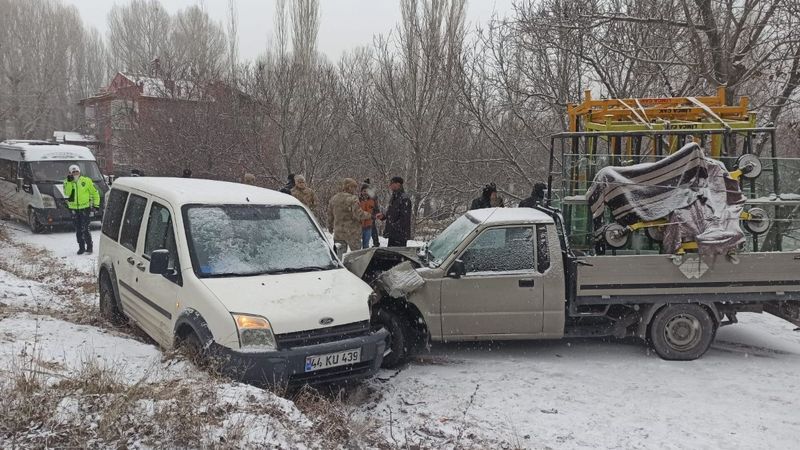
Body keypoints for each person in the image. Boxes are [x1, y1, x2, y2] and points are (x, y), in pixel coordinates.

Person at [64, 164, 100, 255]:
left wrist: (96, 205)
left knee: (85, 228)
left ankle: (89, 246)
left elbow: (95, 192)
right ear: (70, 173)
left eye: (77, 171)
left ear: (79, 172)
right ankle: (81, 247)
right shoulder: (67, 181)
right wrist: (69, 182)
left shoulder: (86, 181)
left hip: (85, 208)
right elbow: (67, 193)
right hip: (73, 209)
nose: (75, 173)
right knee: (78, 229)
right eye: (73, 172)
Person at [328, 178, 372, 252]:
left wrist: (330, 227)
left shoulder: (333, 199)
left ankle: (339, 263)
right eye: (354, 187)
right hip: (352, 233)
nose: (355, 190)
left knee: (339, 255)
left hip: (339, 233)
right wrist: (369, 215)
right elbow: (359, 214)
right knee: (356, 255)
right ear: (349, 187)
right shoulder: (352, 199)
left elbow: (330, 216)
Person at [377, 176, 412, 247]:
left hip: (400, 235)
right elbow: (392, 214)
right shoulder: (394, 197)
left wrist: (393, 226)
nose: (390, 185)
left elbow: (404, 218)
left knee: (398, 256)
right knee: (391, 256)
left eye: (392, 183)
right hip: (392, 234)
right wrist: (383, 216)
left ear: (398, 184)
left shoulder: (404, 199)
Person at [359, 184, 377, 250]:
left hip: (368, 226)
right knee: (357, 245)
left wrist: (374, 217)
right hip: (359, 226)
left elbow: (376, 212)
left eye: (367, 191)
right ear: (361, 192)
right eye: (364, 191)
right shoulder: (357, 201)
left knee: (366, 245)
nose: (365, 192)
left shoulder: (372, 201)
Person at [364, 178, 381, 247]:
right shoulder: (372, 193)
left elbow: (374, 204)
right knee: (372, 229)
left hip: (370, 213)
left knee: (372, 228)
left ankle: (375, 243)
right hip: (371, 213)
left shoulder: (369, 193)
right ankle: (375, 243)